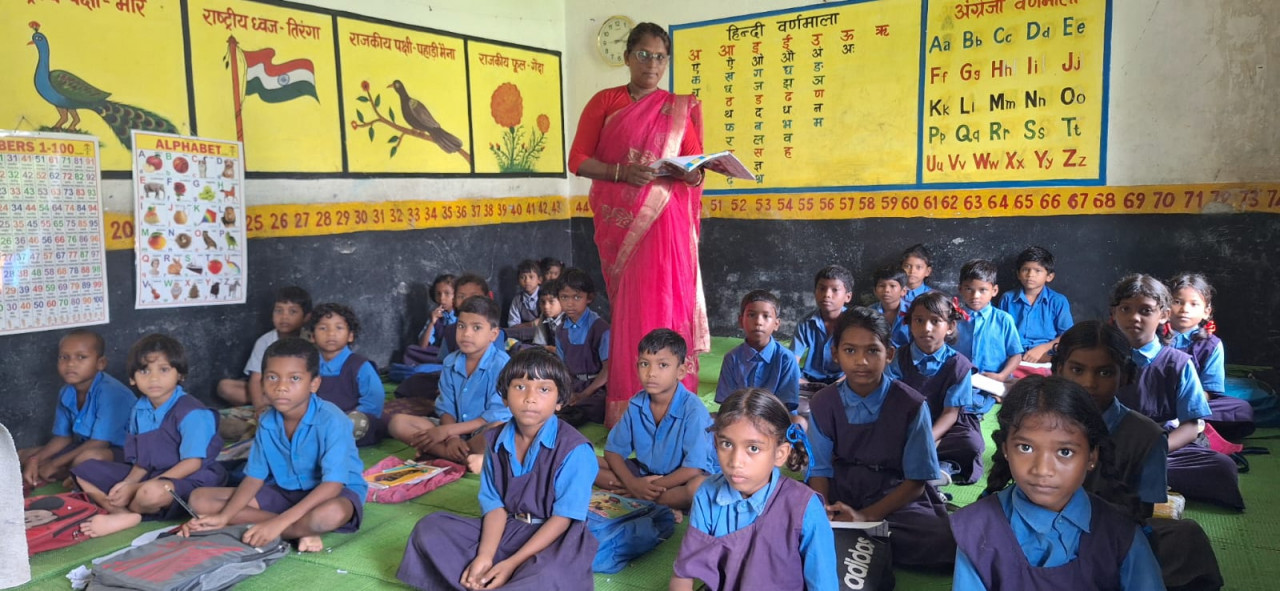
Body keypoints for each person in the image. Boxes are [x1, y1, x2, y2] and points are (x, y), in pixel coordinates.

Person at [569, 21, 709, 427]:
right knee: (634, 308)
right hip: (624, 224)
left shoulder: (679, 107)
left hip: (668, 226)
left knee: (669, 305)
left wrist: (692, 175)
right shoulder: (606, 101)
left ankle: (675, 403)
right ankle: (630, 407)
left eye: (660, 57)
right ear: (628, 57)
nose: (652, 64)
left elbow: (696, 165)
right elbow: (578, 160)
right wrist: (621, 173)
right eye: (644, 55)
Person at [397, 348, 598, 590]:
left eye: (544, 389)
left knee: (547, 576)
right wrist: (485, 557)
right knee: (430, 529)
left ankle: (499, 580)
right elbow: (495, 506)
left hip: (554, 540)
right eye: (520, 387)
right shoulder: (494, 441)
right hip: (507, 528)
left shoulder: (575, 450)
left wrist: (510, 564)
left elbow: (562, 520)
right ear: (504, 397)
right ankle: (489, 580)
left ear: (559, 402)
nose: (530, 398)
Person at [1053, 320, 1225, 591]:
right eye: (1077, 370)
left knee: (1186, 538)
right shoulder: (1036, 423)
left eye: (1105, 372)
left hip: (1110, 539)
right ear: (1058, 370)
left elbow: (1138, 516)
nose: (1089, 383)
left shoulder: (1146, 436)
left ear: (1125, 376)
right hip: (1038, 532)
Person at [952, 375, 1163, 590]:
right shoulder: (976, 530)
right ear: (1006, 449)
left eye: (1065, 452)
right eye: (1026, 448)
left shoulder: (1120, 534)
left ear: (1091, 456)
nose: (1042, 469)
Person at [183, 337, 367, 553]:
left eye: (294, 378)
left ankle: (282, 526)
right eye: (272, 377)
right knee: (199, 499)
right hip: (284, 492)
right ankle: (301, 530)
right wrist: (224, 517)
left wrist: (278, 524)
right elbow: (254, 478)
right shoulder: (267, 421)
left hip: (332, 493)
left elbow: (332, 485)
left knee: (331, 514)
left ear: (314, 383)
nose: (281, 387)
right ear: (262, 382)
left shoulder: (332, 420)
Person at [807, 307, 954, 569]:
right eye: (850, 350)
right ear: (835, 354)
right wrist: (824, 510)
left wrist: (866, 517)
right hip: (841, 486)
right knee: (794, 520)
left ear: (889, 354)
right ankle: (861, 535)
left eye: (873, 350)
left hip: (893, 490)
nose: (861, 361)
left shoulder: (911, 405)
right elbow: (819, 469)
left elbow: (916, 482)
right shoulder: (823, 403)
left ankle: (855, 535)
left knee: (941, 541)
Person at [671, 388, 835, 590]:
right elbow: (684, 573)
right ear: (715, 443)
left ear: (780, 454)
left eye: (753, 448)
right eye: (726, 444)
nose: (736, 461)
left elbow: (823, 584)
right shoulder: (707, 493)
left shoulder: (805, 507)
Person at [1111, 274, 1243, 509]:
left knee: (1223, 468)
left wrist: (1153, 451)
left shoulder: (1178, 363)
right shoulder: (1103, 357)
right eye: (1125, 309)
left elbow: (1191, 426)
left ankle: (1126, 475)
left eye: (1145, 310)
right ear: (1114, 313)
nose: (1134, 317)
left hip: (1161, 444)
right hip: (1112, 442)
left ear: (1163, 315)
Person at [72, 334, 225, 537]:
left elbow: (192, 463)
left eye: (164, 370)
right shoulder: (139, 409)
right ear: (132, 379)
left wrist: (136, 487)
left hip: (191, 479)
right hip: (152, 475)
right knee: (83, 470)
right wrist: (127, 484)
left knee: (150, 493)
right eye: (144, 371)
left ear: (180, 374)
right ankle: (122, 514)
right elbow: (141, 462)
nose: (154, 378)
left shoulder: (192, 412)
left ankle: (132, 510)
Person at [389, 295, 511, 473]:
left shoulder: (502, 365)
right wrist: (452, 437)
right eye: (461, 326)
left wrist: (447, 432)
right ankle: (455, 455)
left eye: (476, 327)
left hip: (481, 431)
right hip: (451, 429)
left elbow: (491, 417)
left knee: (499, 431)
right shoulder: (450, 362)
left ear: (493, 334)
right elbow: (446, 409)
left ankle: (442, 453)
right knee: (397, 423)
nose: (466, 333)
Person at [599, 329, 717, 510]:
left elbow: (693, 468)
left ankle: (642, 497)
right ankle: (645, 496)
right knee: (587, 462)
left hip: (680, 479)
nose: (651, 373)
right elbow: (613, 452)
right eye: (644, 364)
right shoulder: (636, 403)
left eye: (662, 365)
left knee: (696, 488)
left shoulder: (693, 410)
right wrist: (633, 483)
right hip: (644, 473)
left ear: (681, 371)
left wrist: (645, 488)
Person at [886, 292, 983, 485]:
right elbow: (892, 402)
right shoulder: (898, 358)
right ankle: (929, 464)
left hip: (945, 426)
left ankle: (941, 466)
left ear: (950, 326)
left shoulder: (959, 366)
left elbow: (950, 413)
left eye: (935, 321)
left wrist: (927, 440)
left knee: (971, 442)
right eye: (919, 320)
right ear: (909, 323)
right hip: (907, 421)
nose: (926, 328)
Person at [20, 330, 133, 489]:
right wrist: (35, 460)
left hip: (123, 454)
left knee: (86, 459)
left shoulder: (112, 393)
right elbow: (63, 438)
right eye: (64, 357)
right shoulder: (67, 392)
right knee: (22, 456)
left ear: (100, 363)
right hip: (84, 446)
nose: (71, 364)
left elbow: (99, 443)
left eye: (81, 357)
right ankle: (67, 474)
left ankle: (69, 474)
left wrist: (54, 464)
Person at [1167, 272, 1254, 441]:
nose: (1185, 309)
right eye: (1177, 302)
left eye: (1194, 304)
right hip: (1154, 399)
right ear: (1165, 307)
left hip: (1193, 401)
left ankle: (1181, 423)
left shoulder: (1212, 345)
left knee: (1241, 410)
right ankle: (1186, 426)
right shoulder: (1153, 336)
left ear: (1206, 312)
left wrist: (1185, 403)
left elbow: (1209, 391)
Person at [217, 286, 312, 409]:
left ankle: (282, 401)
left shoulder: (310, 340)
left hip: (297, 388)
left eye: (292, 312)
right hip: (270, 388)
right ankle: (275, 401)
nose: (284, 317)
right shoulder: (265, 341)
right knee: (225, 387)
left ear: (306, 317)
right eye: (278, 311)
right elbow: (256, 379)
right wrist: (259, 406)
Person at [310, 303, 385, 446]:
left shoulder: (360, 365)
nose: (331, 333)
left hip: (353, 422)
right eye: (323, 328)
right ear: (312, 336)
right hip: (321, 420)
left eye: (339, 328)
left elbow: (373, 402)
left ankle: (324, 441)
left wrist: (341, 419)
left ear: (350, 335)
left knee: (355, 422)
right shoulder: (310, 366)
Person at [715, 290, 800, 415]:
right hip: (741, 417)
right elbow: (727, 403)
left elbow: (786, 407)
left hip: (776, 418)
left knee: (799, 421)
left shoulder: (786, 359)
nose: (758, 322)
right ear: (741, 321)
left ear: (776, 324)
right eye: (751, 315)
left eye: (766, 316)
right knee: (709, 420)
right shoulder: (732, 358)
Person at [997, 246, 1073, 363]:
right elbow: (1000, 332)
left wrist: (1043, 348)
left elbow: (1068, 335)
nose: (1030, 275)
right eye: (1025, 270)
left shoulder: (1058, 301)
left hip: (1047, 356)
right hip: (1014, 356)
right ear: (1018, 274)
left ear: (1049, 276)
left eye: (1037, 270)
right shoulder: (1008, 298)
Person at [954, 259, 1024, 387]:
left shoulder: (1004, 320)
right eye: (969, 289)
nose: (975, 295)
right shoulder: (953, 319)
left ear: (994, 291)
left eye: (982, 290)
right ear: (960, 289)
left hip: (994, 382)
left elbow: (1016, 355)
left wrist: (1002, 376)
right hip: (959, 381)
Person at [554, 268, 610, 425]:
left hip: (597, 390)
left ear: (589, 298)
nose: (570, 303)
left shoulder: (600, 329)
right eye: (564, 297)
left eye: (577, 297)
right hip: (573, 387)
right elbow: (562, 367)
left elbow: (608, 370)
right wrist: (568, 392)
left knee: (592, 409)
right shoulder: (560, 330)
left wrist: (584, 394)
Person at [790, 265, 854, 392]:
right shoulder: (806, 323)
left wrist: (834, 388)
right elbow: (792, 362)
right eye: (822, 288)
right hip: (809, 382)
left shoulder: (855, 324)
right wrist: (804, 383)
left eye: (835, 290)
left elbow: (858, 366)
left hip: (843, 382)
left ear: (847, 297)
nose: (827, 295)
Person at [416, 274, 458, 353]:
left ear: (456, 295)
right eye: (438, 294)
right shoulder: (436, 316)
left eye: (447, 293)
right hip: (438, 354)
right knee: (411, 350)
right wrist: (432, 323)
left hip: (456, 354)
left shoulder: (463, 315)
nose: (442, 299)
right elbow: (422, 346)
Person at [871, 267, 910, 348]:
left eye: (892, 286)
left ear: (903, 291)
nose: (886, 290)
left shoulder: (913, 311)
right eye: (882, 286)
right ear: (875, 291)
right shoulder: (869, 312)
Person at [507, 259, 542, 331]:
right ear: (518, 280)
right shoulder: (517, 300)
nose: (527, 281)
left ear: (539, 280)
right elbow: (512, 326)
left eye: (531, 277)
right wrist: (531, 324)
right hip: (524, 335)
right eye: (522, 277)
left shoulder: (545, 296)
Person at [531, 279, 563, 349]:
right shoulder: (544, 317)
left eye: (551, 302)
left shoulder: (571, 319)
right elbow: (538, 344)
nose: (546, 307)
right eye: (542, 302)